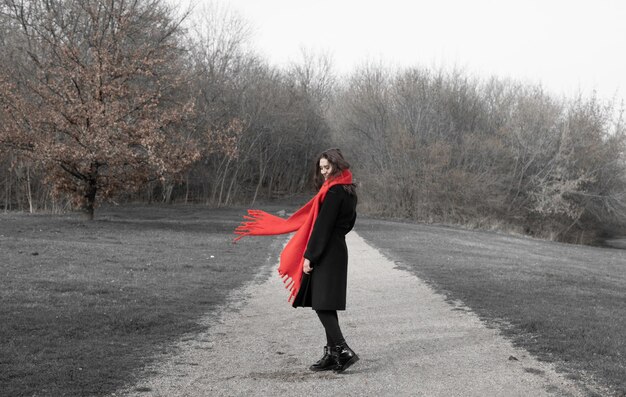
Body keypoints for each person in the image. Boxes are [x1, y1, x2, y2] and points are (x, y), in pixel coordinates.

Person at [234, 148, 359, 373]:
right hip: (337, 248)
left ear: (337, 166)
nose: (323, 172)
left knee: (321, 304)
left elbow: (322, 227)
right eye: (321, 168)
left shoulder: (333, 192)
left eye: (327, 167)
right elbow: (348, 223)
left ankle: (342, 350)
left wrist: (310, 256)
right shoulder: (348, 191)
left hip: (327, 251)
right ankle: (332, 354)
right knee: (325, 302)